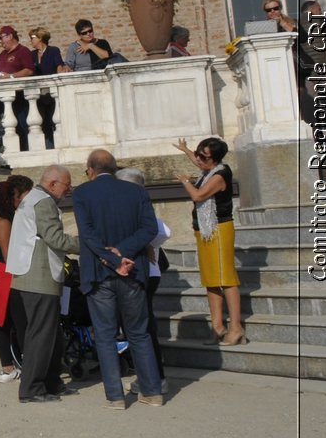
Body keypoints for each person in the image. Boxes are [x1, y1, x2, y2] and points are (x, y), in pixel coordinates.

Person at [71, 149, 164, 408]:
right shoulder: (136, 192)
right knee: (139, 333)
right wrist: (122, 251)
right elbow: (149, 228)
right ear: (114, 169)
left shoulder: (82, 193)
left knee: (104, 334)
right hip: (133, 269)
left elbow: (86, 234)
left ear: (90, 170)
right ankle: (152, 391)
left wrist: (111, 256)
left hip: (99, 273)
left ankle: (115, 397)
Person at [6, 166, 81, 403]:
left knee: (51, 333)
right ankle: (32, 388)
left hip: (28, 274)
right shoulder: (44, 202)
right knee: (41, 334)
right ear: (52, 184)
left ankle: (52, 382)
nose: (69, 190)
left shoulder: (30, 199)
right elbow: (55, 239)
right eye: (66, 185)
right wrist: (88, 244)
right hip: (40, 275)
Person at [174, 136, 243, 345]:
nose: (199, 160)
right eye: (198, 154)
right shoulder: (209, 168)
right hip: (205, 230)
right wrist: (186, 150)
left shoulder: (220, 175)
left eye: (203, 157)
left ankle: (237, 327)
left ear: (215, 159)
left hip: (219, 229)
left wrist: (185, 180)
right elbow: (198, 162)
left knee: (227, 279)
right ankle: (217, 326)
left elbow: (198, 196)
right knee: (211, 280)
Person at [117, 166, 168, 387]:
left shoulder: (137, 205)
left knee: (141, 329)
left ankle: (154, 377)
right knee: (139, 327)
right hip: (143, 271)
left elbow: (164, 231)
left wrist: (143, 244)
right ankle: (151, 376)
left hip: (144, 271)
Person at [0, 175, 33, 382]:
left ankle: (7, 368)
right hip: (7, 277)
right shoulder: (4, 223)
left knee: (1, 323)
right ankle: (27, 366)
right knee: (19, 322)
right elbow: (8, 255)